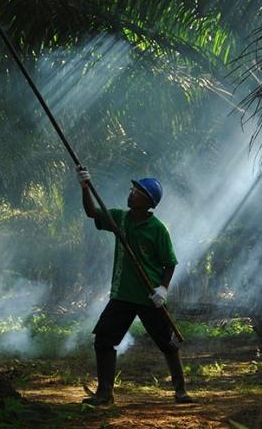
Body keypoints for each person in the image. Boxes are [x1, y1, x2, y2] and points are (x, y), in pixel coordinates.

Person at [77, 167, 194, 405]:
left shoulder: (157, 229)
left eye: (137, 192)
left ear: (148, 201)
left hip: (149, 295)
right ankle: (105, 394)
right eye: (132, 190)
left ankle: (181, 391)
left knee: (168, 343)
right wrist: (85, 186)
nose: (131, 194)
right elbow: (91, 212)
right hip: (123, 294)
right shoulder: (120, 218)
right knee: (104, 339)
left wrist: (163, 290)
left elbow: (169, 263)